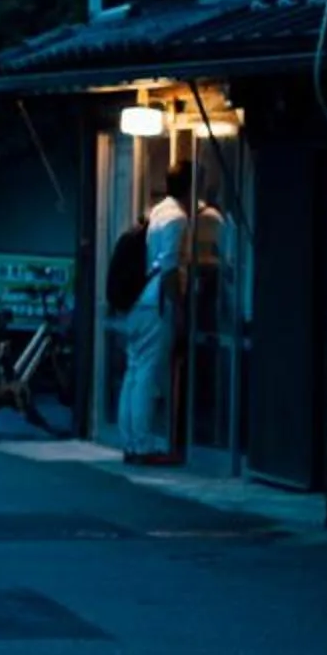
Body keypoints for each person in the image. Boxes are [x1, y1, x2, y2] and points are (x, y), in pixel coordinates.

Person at [117, 170, 190, 464]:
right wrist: (180, 307)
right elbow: (170, 266)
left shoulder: (156, 212)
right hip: (156, 302)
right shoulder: (177, 218)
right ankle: (144, 446)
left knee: (134, 372)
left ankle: (131, 442)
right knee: (146, 374)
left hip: (138, 301)